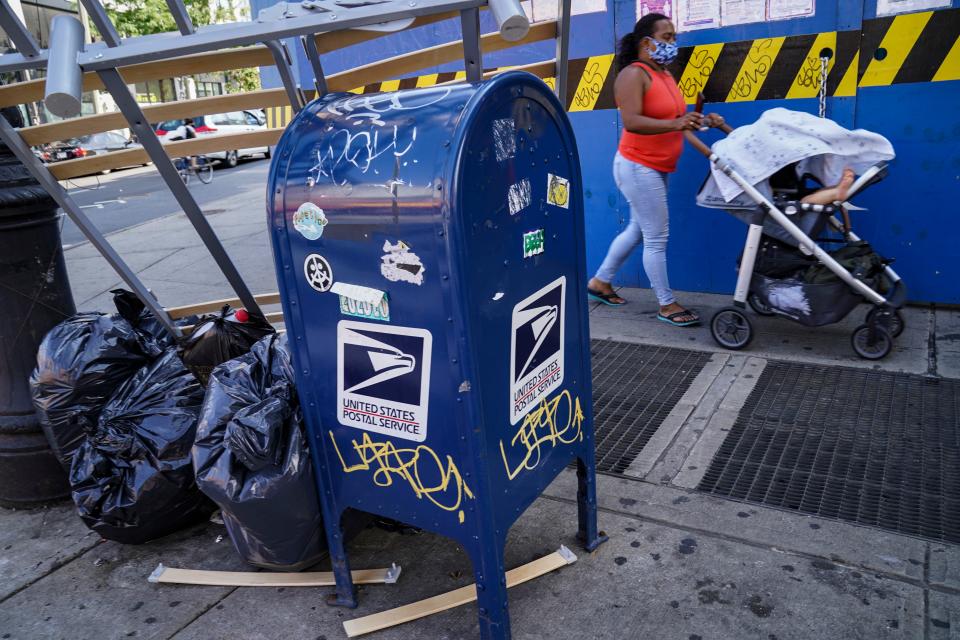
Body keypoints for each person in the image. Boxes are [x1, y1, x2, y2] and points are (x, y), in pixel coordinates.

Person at [586, 13, 725, 327]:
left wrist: (701, 121)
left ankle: (600, 282)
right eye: (668, 37)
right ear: (646, 42)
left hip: (655, 167)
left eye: (674, 37)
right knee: (656, 237)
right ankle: (666, 304)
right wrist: (677, 122)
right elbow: (633, 122)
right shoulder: (633, 75)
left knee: (638, 229)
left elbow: (675, 122)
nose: (673, 43)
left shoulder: (664, 76)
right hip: (637, 166)